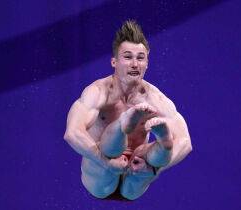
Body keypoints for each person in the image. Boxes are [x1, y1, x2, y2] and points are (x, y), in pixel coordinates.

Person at [63, 20, 192, 200]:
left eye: (140, 58)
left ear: (147, 63)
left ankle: (163, 143)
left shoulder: (155, 98)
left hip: (135, 170)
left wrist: (155, 169)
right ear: (114, 62)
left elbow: (185, 141)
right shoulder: (98, 92)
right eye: (128, 57)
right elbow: (72, 133)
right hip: (100, 172)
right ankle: (122, 125)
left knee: (151, 156)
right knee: (110, 147)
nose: (134, 64)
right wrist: (106, 163)